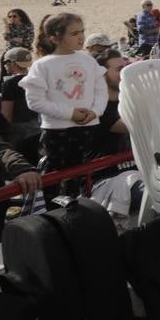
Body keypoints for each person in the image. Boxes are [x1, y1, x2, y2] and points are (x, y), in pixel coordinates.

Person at [21, 13, 108, 202]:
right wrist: (70, 114)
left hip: (88, 127)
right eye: (74, 33)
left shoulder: (88, 60)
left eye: (82, 32)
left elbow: (101, 91)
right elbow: (35, 101)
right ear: (54, 37)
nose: (81, 37)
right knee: (55, 177)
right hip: (58, 131)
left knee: (82, 175)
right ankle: (55, 215)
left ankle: (80, 209)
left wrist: (95, 112)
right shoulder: (42, 65)